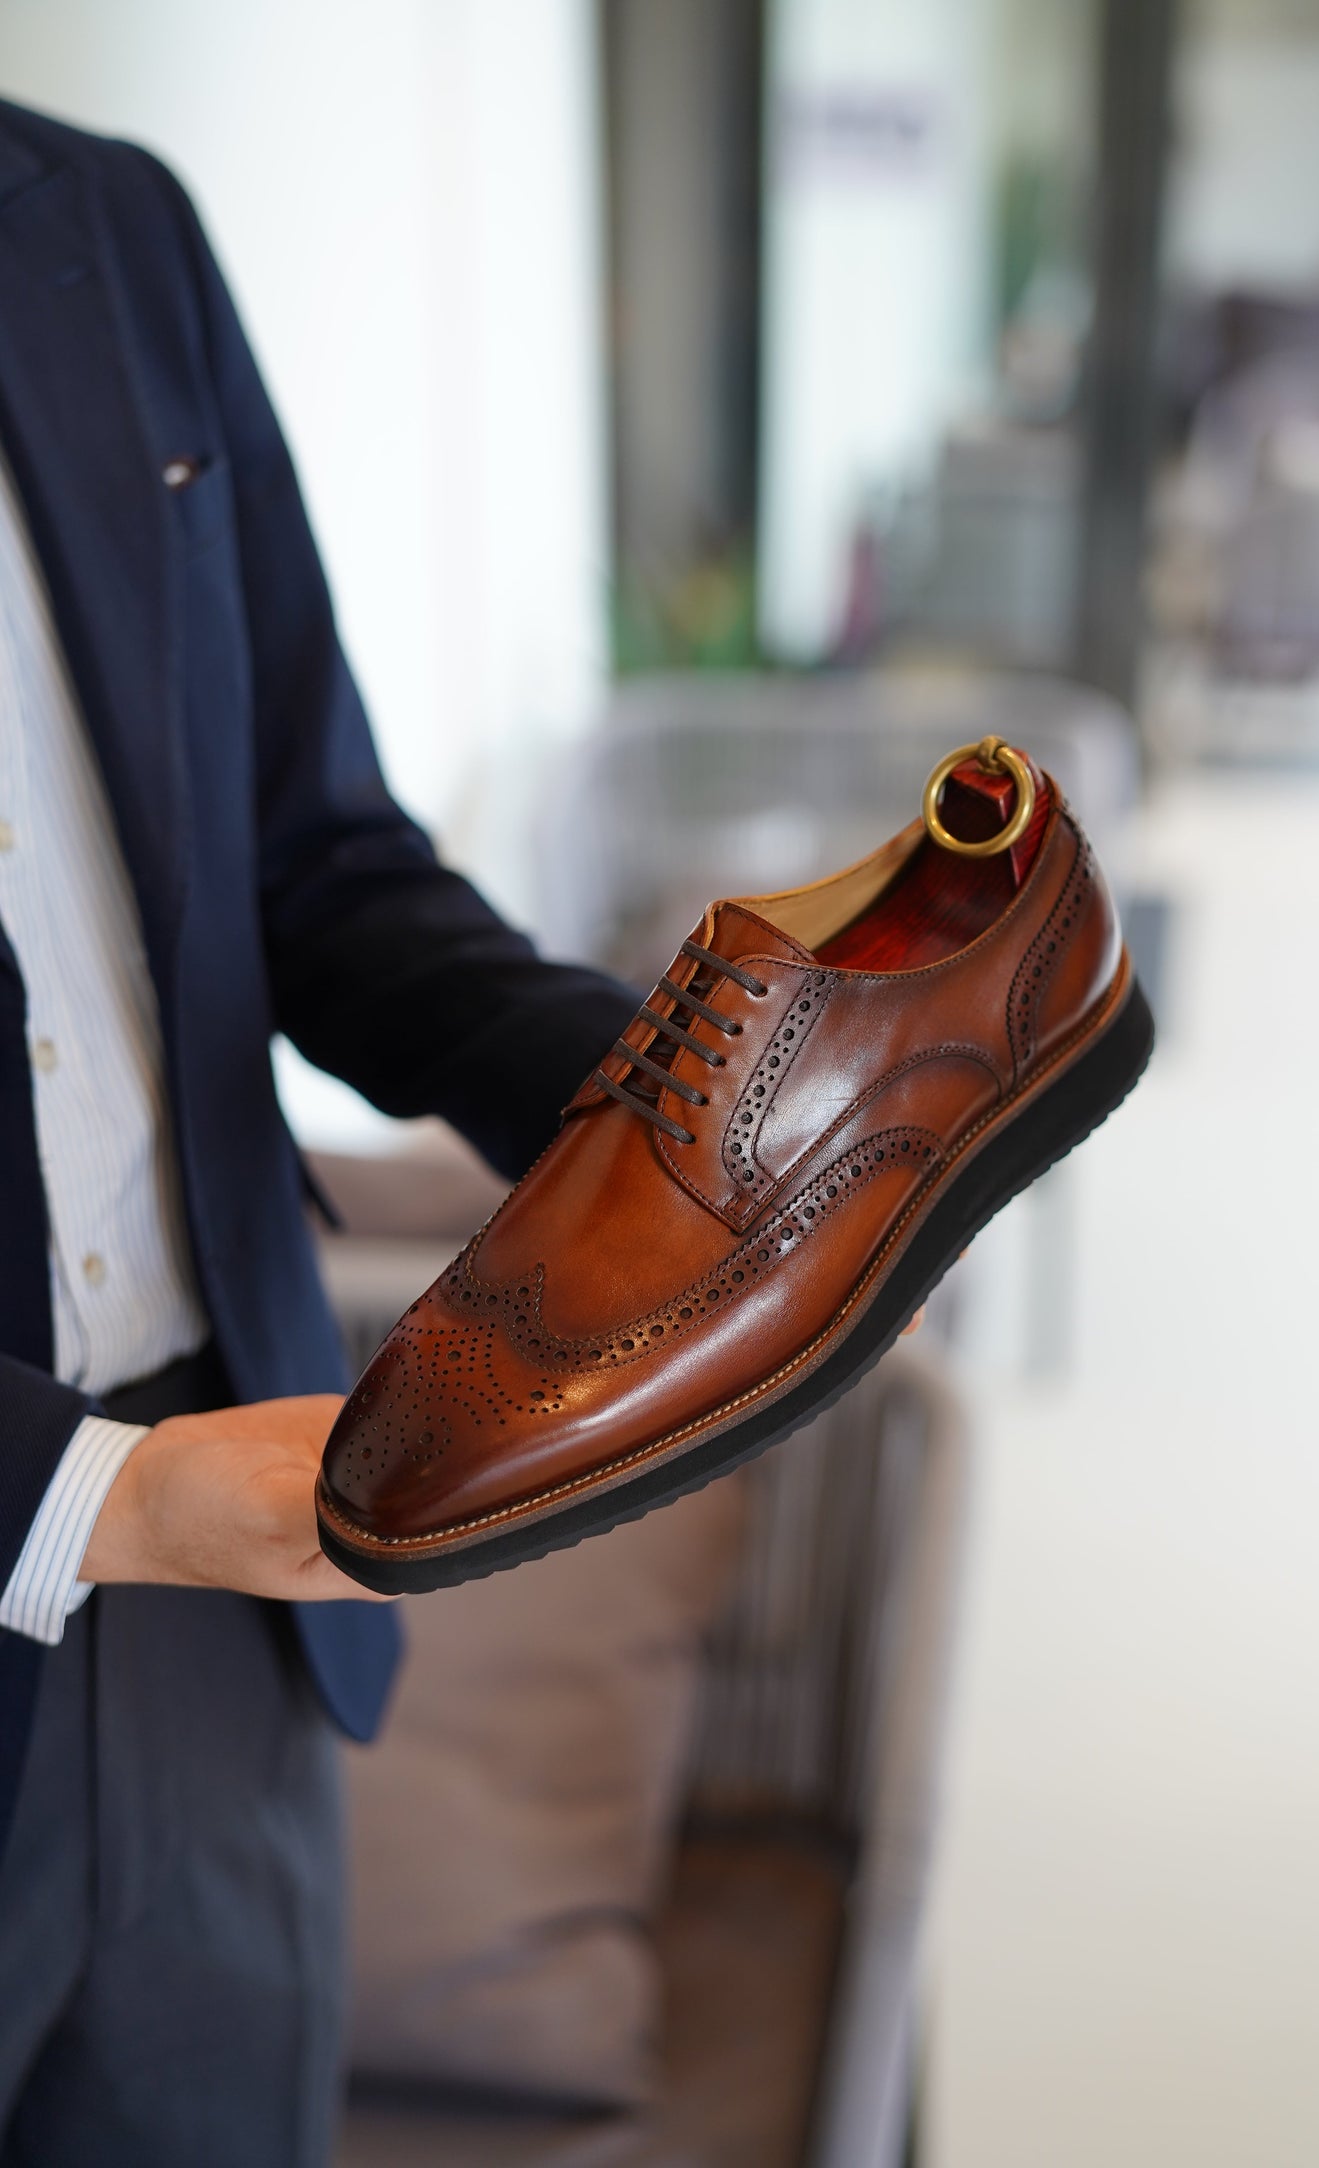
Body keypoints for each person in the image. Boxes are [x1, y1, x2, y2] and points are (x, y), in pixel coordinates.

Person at [0, 96, 637, 2165]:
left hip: (227, 1605)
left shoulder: (108, 227)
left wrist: (671, 1102)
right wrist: (94, 1497)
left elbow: (313, 855)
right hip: (126, 1501)